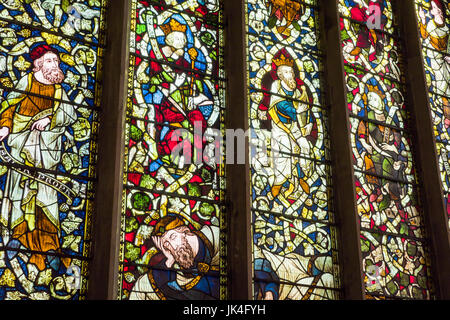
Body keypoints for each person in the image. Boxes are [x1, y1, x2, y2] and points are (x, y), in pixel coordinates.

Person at [0, 45, 77, 271]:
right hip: (21, 144)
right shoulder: (26, 82)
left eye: (57, 61)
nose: (56, 64)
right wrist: (5, 127)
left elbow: (68, 115)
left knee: (46, 195)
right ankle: (19, 236)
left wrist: (50, 119)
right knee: (20, 191)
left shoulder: (58, 90)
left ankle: (50, 244)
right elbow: (9, 106)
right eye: (50, 60)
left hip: (47, 150)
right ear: (38, 64)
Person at [129, 216, 220, 300]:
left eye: (173, 237)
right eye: (166, 244)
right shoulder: (173, 264)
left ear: (185, 231)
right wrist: (168, 263)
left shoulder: (214, 237)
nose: (172, 247)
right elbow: (140, 289)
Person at [268, 54, 313, 201]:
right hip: (280, 127)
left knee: (305, 146)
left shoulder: (298, 91)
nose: (291, 74)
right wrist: (296, 110)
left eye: (292, 72)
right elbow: (280, 105)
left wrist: (309, 124)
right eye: (287, 72)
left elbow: (306, 109)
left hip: (295, 126)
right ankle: (279, 182)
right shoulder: (276, 86)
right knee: (285, 150)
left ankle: (301, 177)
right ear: (280, 74)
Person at [418, 0, 450, 97]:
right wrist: (423, 19)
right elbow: (423, 35)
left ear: (440, 10)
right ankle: (445, 105)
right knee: (441, 83)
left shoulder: (446, 27)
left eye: (434, 7)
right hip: (435, 57)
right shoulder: (431, 24)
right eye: (432, 7)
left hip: (446, 57)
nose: (432, 9)